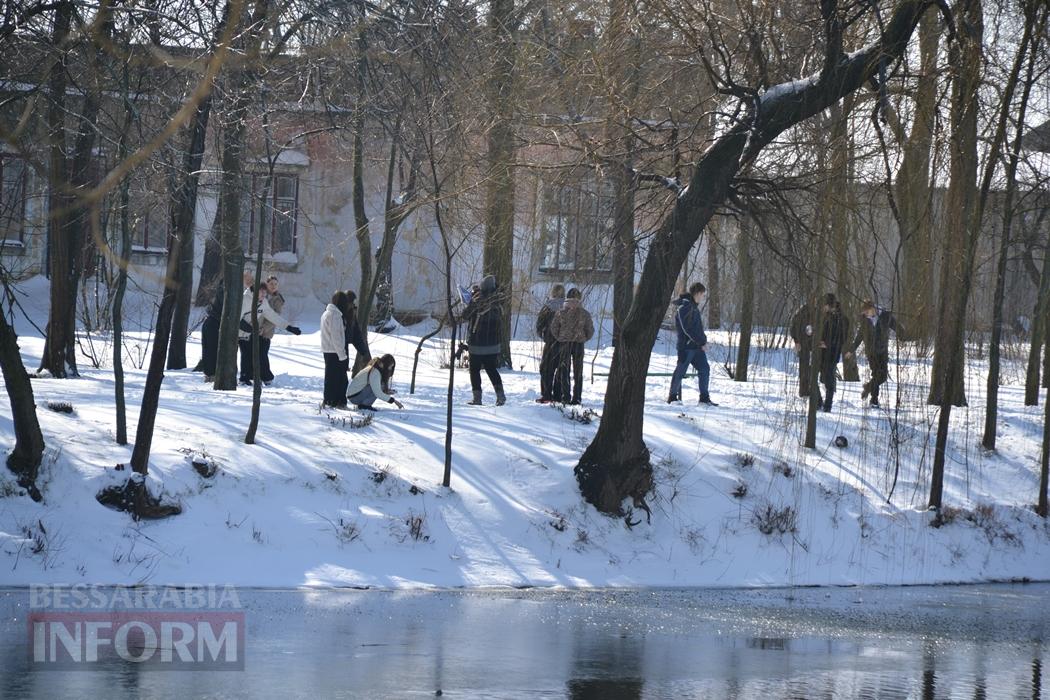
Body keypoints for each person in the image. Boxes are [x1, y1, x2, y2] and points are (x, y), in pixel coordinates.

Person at [238, 284, 301, 386]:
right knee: (246, 354)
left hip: (250, 333)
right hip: (239, 332)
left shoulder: (263, 303)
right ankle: (243, 379)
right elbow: (237, 318)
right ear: (254, 292)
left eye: (265, 292)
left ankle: (248, 377)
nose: (264, 294)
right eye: (261, 291)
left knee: (251, 354)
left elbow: (273, 316)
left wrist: (289, 327)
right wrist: (249, 328)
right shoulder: (245, 300)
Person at [844, 300, 899, 407]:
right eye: (864, 313)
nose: (866, 315)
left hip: (882, 351)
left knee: (882, 377)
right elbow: (859, 337)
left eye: (866, 312)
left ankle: (868, 387)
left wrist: (909, 335)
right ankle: (874, 400)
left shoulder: (885, 316)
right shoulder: (865, 321)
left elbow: (897, 328)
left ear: (872, 309)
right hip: (871, 353)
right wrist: (851, 350)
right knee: (876, 374)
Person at [669, 282, 717, 405]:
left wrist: (704, 341)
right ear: (697, 293)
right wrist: (702, 342)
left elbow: (698, 328)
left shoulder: (693, 307)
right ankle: (673, 397)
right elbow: (688, 329)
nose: (703, 297)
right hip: (686, 347)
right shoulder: (684, 308)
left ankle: (704, 398)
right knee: (680, 371)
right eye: (702, 294)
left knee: (704, 369)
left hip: (697, 347)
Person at [463, 274, 506, 406]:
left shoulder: (477, 300)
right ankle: (500, 396)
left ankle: (477, 398)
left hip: (477, 343)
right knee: (491, 369)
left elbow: (465, 315)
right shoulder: (499, 300)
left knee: (474, 370)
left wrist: (470, 301)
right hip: (494, 344)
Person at [550, 287, 594, 405]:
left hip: (564, 344)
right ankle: (577, 398)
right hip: (579, 344)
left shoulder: (561, 312)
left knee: (565, 370)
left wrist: (560, 337)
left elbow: (554, 328)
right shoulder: (584, 313)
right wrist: (584, 337)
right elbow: (590, 330)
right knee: (578, 372)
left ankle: (566, 397)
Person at [535, 284, 566, 404]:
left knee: (546, 369)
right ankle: (558, 395)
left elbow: (539, 325)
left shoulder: (547, 307)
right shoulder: (568, 307)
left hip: (550, 342)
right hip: (565, 343)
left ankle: (546, 394)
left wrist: (544, 337)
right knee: (561, 369)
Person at [817, 297, 849, 413]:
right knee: (821, 378)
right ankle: (819, 402)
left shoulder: (842, 319)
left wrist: (827, 344)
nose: (823, 308)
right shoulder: (826, 317)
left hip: (832, 353)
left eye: (825, 305)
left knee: (829, 380)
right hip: (822, 353)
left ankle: (827, 406)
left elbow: (841, 337)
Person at [321, 291, 352, 408]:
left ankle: (332, 400)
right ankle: (334, 400)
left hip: (328, 350)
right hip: (334, 351)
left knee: (331, 377)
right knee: (337, 378)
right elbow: (336, 337)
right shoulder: (335, 315)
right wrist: (342, 355)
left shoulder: (327, 313)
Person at [257, 276, 286, 385]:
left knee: (262, 355)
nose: (273, 286)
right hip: (256, 329)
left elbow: (275, 317)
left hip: (266, 332)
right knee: (257, 354)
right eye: (271, 284)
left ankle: (267, 377)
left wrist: (263, 329)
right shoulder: (262, 295)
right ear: (267, 284)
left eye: (275, 284)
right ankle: (258, 376)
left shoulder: (277, 299)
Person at [195, 280, 223, 382]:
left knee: (209, 350)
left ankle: (210, 374)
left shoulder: (219, 293)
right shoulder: (223, 293)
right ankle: (211, 375)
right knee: (211, 350)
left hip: (211, 323)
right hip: (214, 324)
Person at [789, 300, 816, 397]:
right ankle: (804, 390)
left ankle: (808, 389)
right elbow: (793, 327)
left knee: (809, 368)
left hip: (812, 345)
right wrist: (797, 341)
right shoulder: (802, 312)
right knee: (804, 367)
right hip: (804, 344)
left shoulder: (816, 311)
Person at [343, 289, 370, 372]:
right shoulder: (339, 314)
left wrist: (364, 351)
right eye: (350, 302)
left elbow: (356, 333)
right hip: (336, 350)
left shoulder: (352, 313)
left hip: (344, 346)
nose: (352, 305)